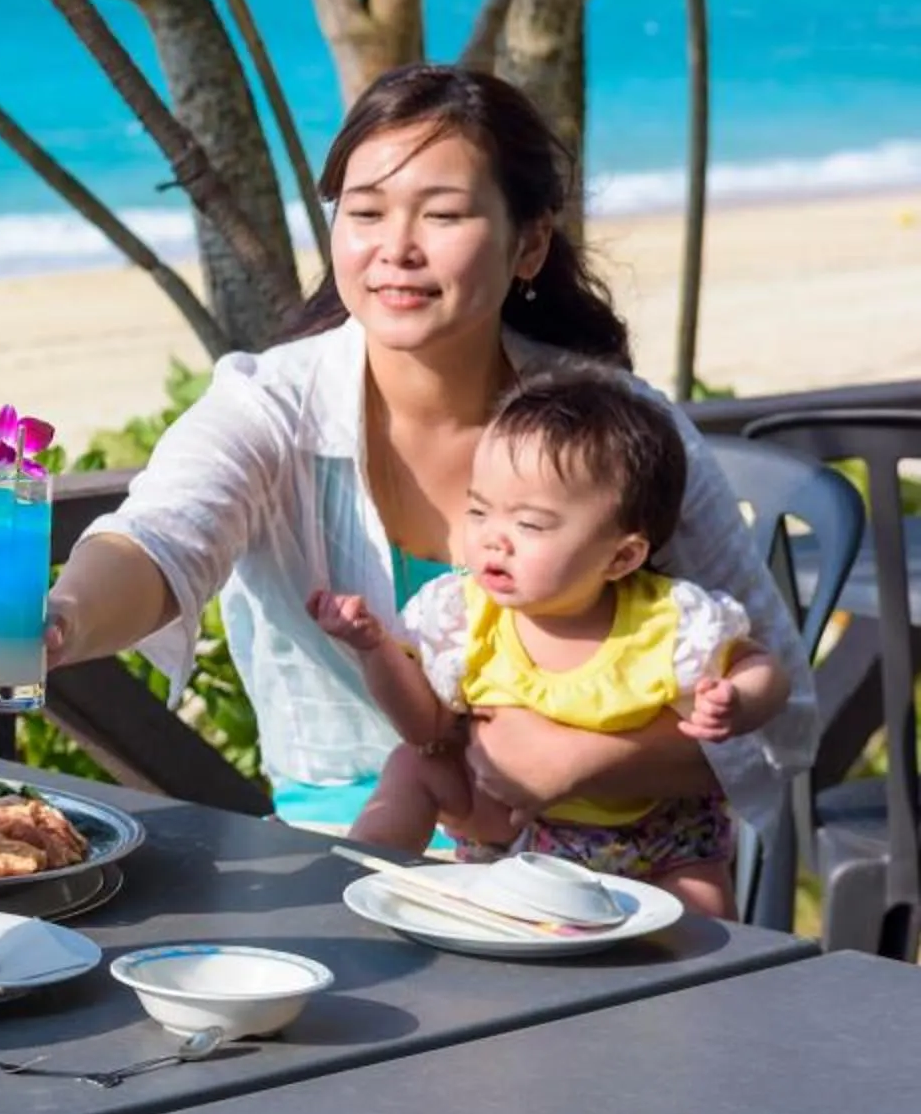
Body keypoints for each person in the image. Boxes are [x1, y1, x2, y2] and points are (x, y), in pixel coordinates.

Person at [0, 63, 813, 850]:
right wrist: (57, 622)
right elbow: (161, 538)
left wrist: (584, 767)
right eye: (364, 213)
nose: (396, 247)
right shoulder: (270, 401)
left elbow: (781, 718)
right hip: (350, 855)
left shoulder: (621, 429)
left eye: (443, 214)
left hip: (602, 879)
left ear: (530, 244)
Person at [308, 372, 788, 912]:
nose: (494, 537)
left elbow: (762, 665)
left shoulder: (668, 620)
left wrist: (741, 699)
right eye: (479, 510)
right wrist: (374, 650)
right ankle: (360, 877)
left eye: (531, 524)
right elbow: (429, 728)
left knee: (703, 908)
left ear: (621, 557)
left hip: (654, 836)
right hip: (510, 826)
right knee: (415, 764)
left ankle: (707, 976)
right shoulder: (464, 616)